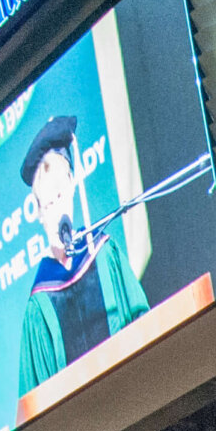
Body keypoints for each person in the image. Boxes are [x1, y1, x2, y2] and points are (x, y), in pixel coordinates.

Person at [15, 115, 150, 401]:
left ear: (73, 191)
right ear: (38, 213)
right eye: (47, 204)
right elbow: (35, 404)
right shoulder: (38, 307)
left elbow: (145, 327)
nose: (55, 210)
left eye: (60, 196)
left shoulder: (106, 255)